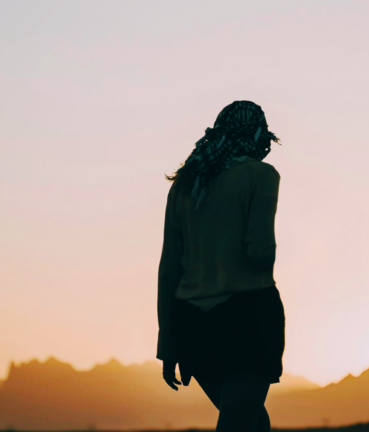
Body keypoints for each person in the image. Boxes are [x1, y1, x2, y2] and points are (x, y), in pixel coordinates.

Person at [156, 100, 285, 431]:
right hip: (248, 316)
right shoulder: (261, 175)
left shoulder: (185, 185)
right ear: (257, 135)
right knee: (240, 421)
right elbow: (260, 253)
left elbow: (169, 268)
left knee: (252, 421)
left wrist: (167, 340)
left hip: (192, 324)